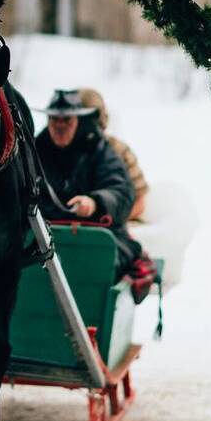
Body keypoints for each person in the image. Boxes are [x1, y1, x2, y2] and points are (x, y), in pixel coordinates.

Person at [35, 89, 142, 280]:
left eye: (67, 120)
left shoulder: (100, 151)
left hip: (97, 235)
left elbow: (121, 192)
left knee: (98, 262)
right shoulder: (35, 150)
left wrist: (95, 202)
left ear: (79, 121)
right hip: (42, 235)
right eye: (54, 119)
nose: (60, 126)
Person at [77, 88, 148, 221]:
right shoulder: (58, 150)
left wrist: (109, 220)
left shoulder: (119, 150)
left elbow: (139, 201)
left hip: (111, 224)